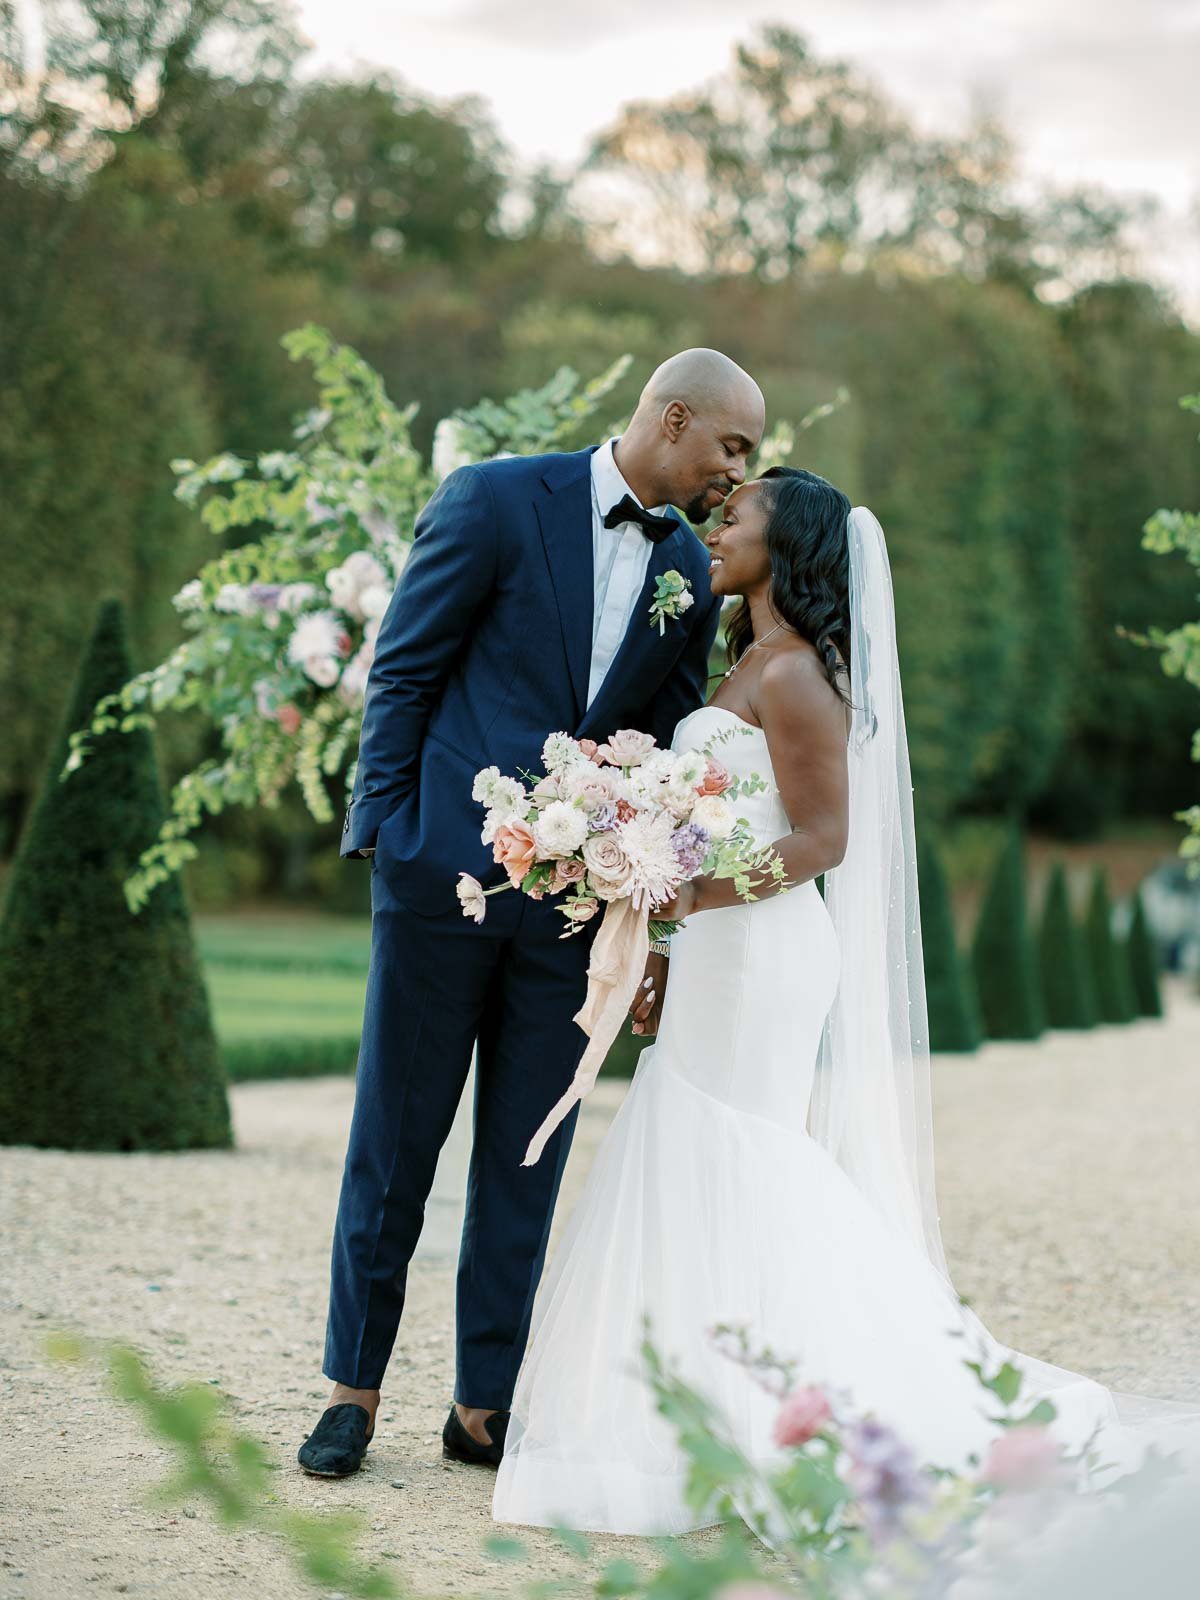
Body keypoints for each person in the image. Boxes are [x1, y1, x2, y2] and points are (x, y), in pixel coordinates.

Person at [493, 468, 1200, 1535]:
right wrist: (667, 944)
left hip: (765, 953)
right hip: (719, 948)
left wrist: (695, 893)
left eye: (738, 515)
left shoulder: (794, 675)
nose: (717, 526)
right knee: (697, 1155)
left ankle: (842, 1410)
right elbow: (719, 822)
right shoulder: (746, 658)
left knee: (741, 1157)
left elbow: (825, 838)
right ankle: (711, 1418)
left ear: (790, 544)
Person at [297, 350, 766, 1478]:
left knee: (526, 1157)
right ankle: (351, 1392)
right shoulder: (495, 499)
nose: (736, 472)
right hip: (440, 881)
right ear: (675, 417)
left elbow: (660, 739)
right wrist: (387, 838)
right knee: (395, 1142)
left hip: (575, 913)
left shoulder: (687, 568)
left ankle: (482, 1406)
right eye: (733, 446)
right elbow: (405, 668)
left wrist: (639, 900)